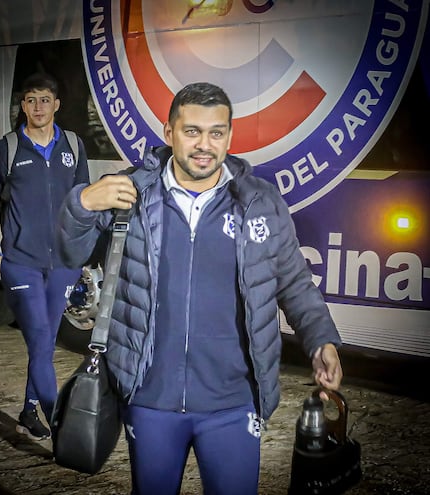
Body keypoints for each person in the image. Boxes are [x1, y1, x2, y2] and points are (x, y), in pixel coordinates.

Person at [56, 82, 343, 494]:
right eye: (192, 131)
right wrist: (81, 204)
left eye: (216, 132)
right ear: (169, 133)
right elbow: (68, 254)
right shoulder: (130, 193)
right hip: (150, 400)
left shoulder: (258, 202)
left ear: (229, 135)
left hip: (233, 403)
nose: (204, 144)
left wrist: (321, 341)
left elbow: (295, 281)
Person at [0, 72, 90, 441]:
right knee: (40, 335)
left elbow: (84, 203)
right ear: (22, 106)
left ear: (56, 104)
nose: (38, 106)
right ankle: (60, 424)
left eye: (45, 99)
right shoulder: (8, 148)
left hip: (62, 264)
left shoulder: (73, 144)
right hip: (21, 262)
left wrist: (80, 255)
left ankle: (28, 410)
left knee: (44, 343)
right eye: (31, 99)